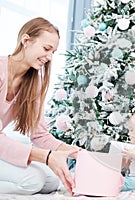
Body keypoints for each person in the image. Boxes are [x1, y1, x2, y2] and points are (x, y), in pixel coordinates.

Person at [0, 17, 81, 195]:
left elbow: (39, 134)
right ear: (26, 41)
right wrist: (47, 157)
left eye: (53, 51)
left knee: (52, 180)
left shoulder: (32, 84)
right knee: (33, 180)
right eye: (46, 49)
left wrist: (76, 152)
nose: (50, 57)